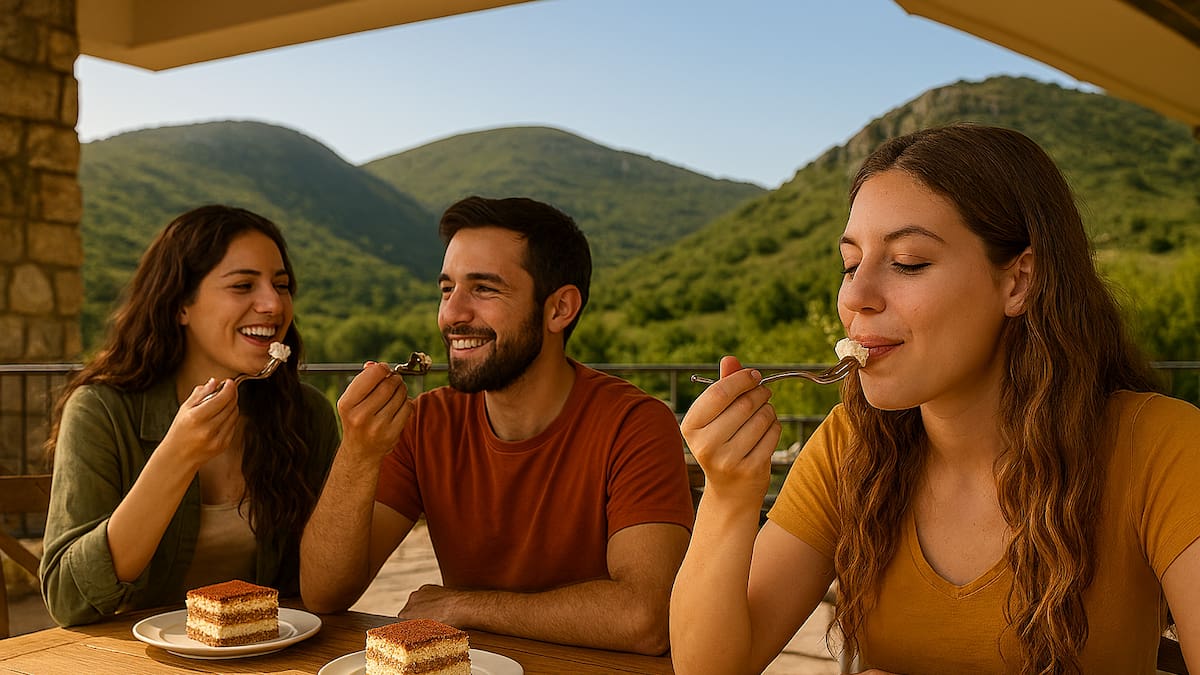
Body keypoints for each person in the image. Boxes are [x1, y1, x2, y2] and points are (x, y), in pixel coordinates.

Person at [670, 124, 1200, 674]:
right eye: (850, 265)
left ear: (1019, 281)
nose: (853, 296)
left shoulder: (1160, 446)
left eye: (908, 262)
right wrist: (729, 495)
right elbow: (709, 668)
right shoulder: (850, 445)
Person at [301, 196, 694, 655]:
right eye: (447, 289)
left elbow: (646, 617)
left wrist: (465, 607)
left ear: (559, 309)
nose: (453, 314)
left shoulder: (635, 424)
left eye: (484, 289)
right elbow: (324, 593)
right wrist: (358, 451)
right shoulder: (426, 422)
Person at [38, 205, 407, 626]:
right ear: (181, 305)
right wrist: (177, 457)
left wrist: (359, 452)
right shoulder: (101, 409)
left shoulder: (304, 415)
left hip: (272, 659)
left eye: (281, 285)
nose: (273, 304)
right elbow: (67, 599)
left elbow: (323, 595)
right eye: (243, 285)